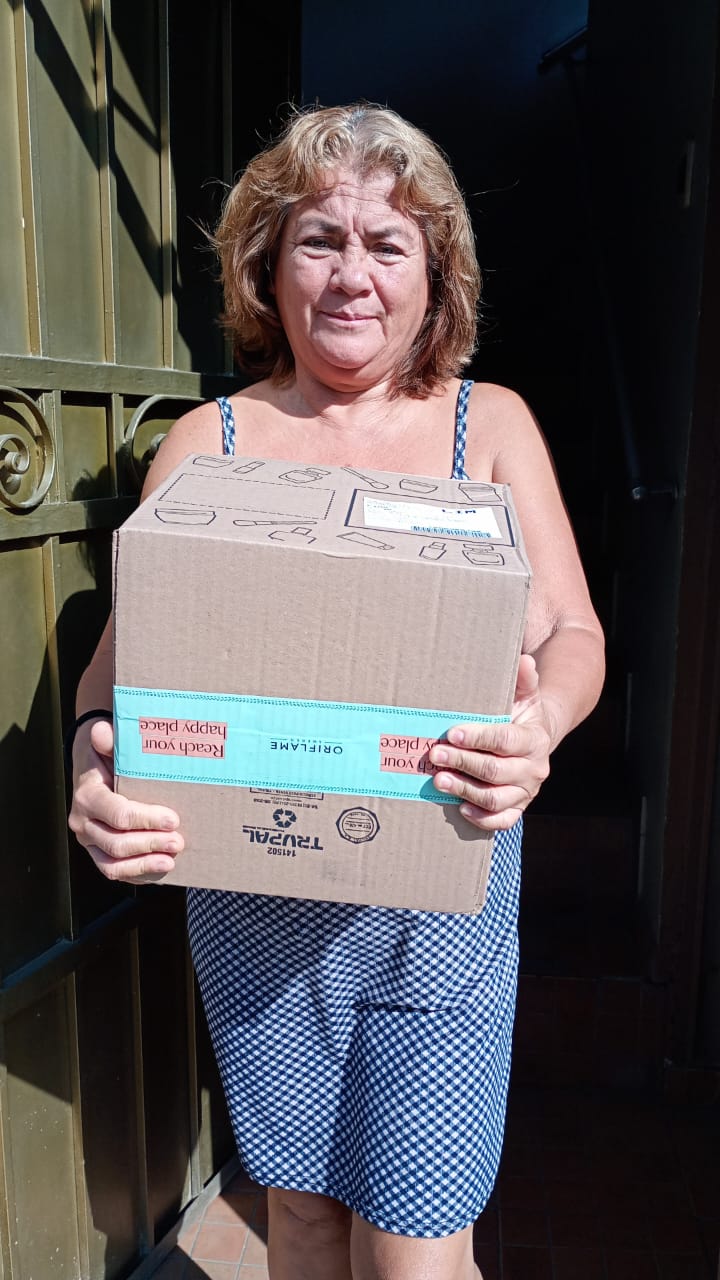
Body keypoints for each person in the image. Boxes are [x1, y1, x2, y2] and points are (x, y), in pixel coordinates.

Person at [68, 103, 605, 1280]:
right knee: (301, 1219)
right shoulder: (208, 442)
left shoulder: (489, 425)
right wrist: (93, 768)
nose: (351, 275)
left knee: (418, 1243)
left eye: (387, 244)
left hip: (439, 904)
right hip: (259, 911)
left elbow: (575, 633)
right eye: (319, 239)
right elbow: (115, 675)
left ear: (435, 272)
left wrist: (541, 726)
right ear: (268, 264)